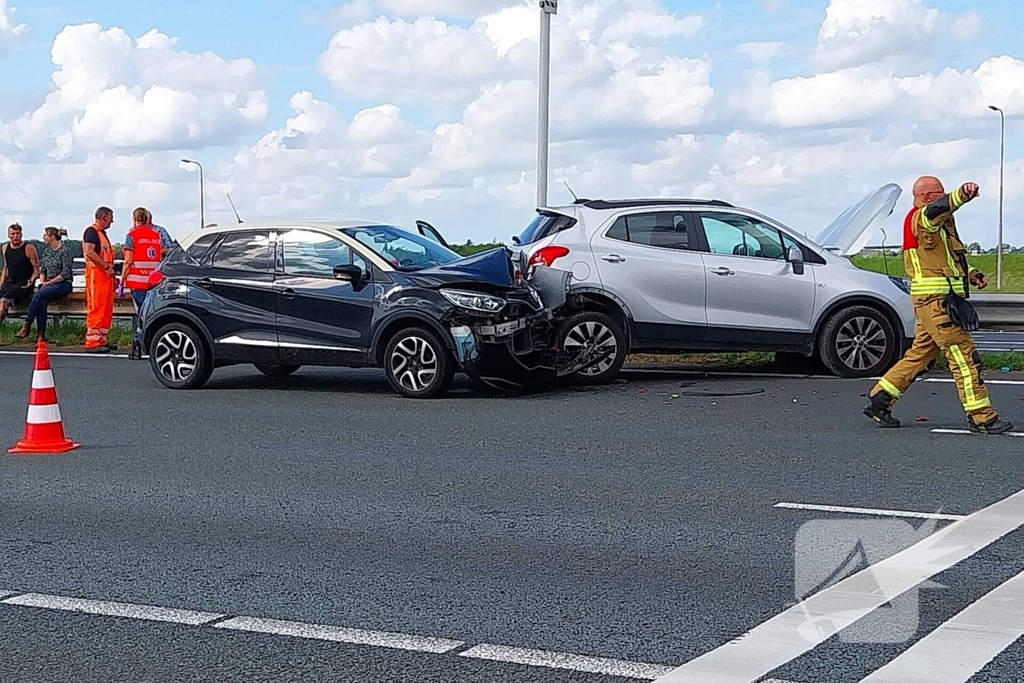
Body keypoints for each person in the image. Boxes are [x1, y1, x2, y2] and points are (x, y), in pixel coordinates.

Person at [864, 176, 1014, 434]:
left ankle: (881, 399)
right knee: (964, 357)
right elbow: (939, 208)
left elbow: (946, 260)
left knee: (919, 354)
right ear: (926, 197)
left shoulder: (939, 227)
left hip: (934, 303)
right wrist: (962, 194)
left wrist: (971, 274)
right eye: (938, 193)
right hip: (938, 303)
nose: (943, 197)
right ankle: (982, 417)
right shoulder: (922, 218)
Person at [118, 208, 164, 360]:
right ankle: (151, 345)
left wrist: (122, 281)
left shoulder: (131, 236)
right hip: (154, 282)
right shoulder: (156, 235)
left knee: (141, 315)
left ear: (134, 219)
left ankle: (137, 346)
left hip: (138, 282)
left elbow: (128, 261)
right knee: (150, 314)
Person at [16, 227, 73, 341]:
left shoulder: (64, 251)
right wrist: (43, 281)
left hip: (63, 283)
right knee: (41, 301)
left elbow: (65, 273)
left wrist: (48, 283)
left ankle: (28, 324)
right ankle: (41, 335)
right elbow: (43, 270)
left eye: (45, 235)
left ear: (52, 237)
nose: (43, 238)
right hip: (48, 284)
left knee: (39, 295)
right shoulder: (47, 252)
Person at [83, 207, 117, 354]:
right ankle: (92, 341)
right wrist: (105, 267)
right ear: (103, 217)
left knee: (105, 308)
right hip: (96, 274)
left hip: (104, 275)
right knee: (96, 307)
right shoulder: (92, 232)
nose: (112, 221)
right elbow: (89, 252)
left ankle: (101, 339)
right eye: (110, 218)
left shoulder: (101, 234)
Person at [0, 223, 40, 326]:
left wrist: (32, 280)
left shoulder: (28, 248)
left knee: (4, 302)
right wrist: (1, 281)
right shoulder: (5, 247)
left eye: (18, 233)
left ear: (21, 235)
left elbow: (36, 270)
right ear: (9, 235)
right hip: (10, 282)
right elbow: (6, 267)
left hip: (23, 284)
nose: (15, 236)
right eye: (13, 234)